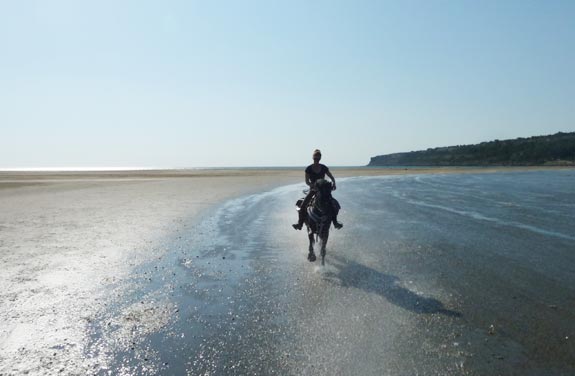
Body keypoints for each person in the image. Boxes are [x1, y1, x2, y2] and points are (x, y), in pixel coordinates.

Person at [292, 149, 343, 230]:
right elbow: (307, 181)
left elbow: (331, 177)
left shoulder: (324, 167)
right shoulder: (308, 168)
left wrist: (334, 183)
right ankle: (300, 223)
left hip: (324, 190)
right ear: (313, 158)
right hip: (313, 190)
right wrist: (312, 186)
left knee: (334, 204)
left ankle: (335, 222)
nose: (317, 160)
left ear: (320, 159)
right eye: (315, 158)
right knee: (303, 205)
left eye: (318, 159)